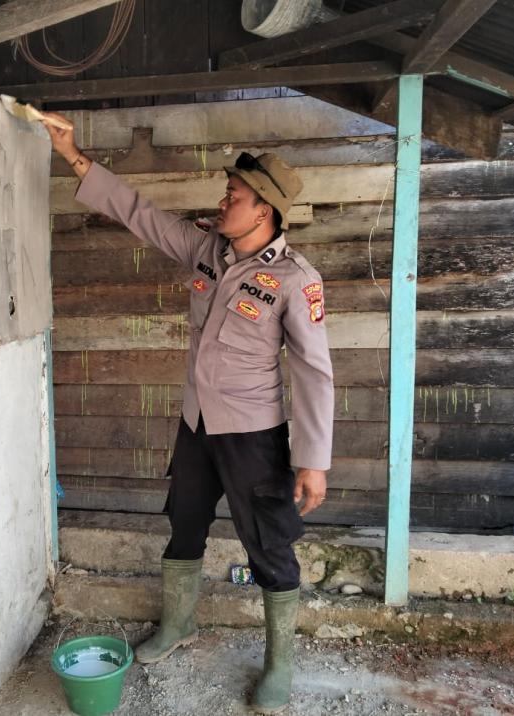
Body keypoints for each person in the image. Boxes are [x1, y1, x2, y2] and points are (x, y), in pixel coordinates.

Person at [42, 111, 333, 715]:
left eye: (235, 196)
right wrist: (73, 155)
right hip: (197, 423)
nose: (223, 201)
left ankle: (279, 664)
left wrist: (312, 460)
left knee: (270, 544)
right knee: (185, 524)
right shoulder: (207, 250)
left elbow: (312, 371)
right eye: (227, 192)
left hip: (253, 434)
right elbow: (140, 215)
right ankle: (180, 626)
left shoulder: (294, 280)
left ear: (265, 213)